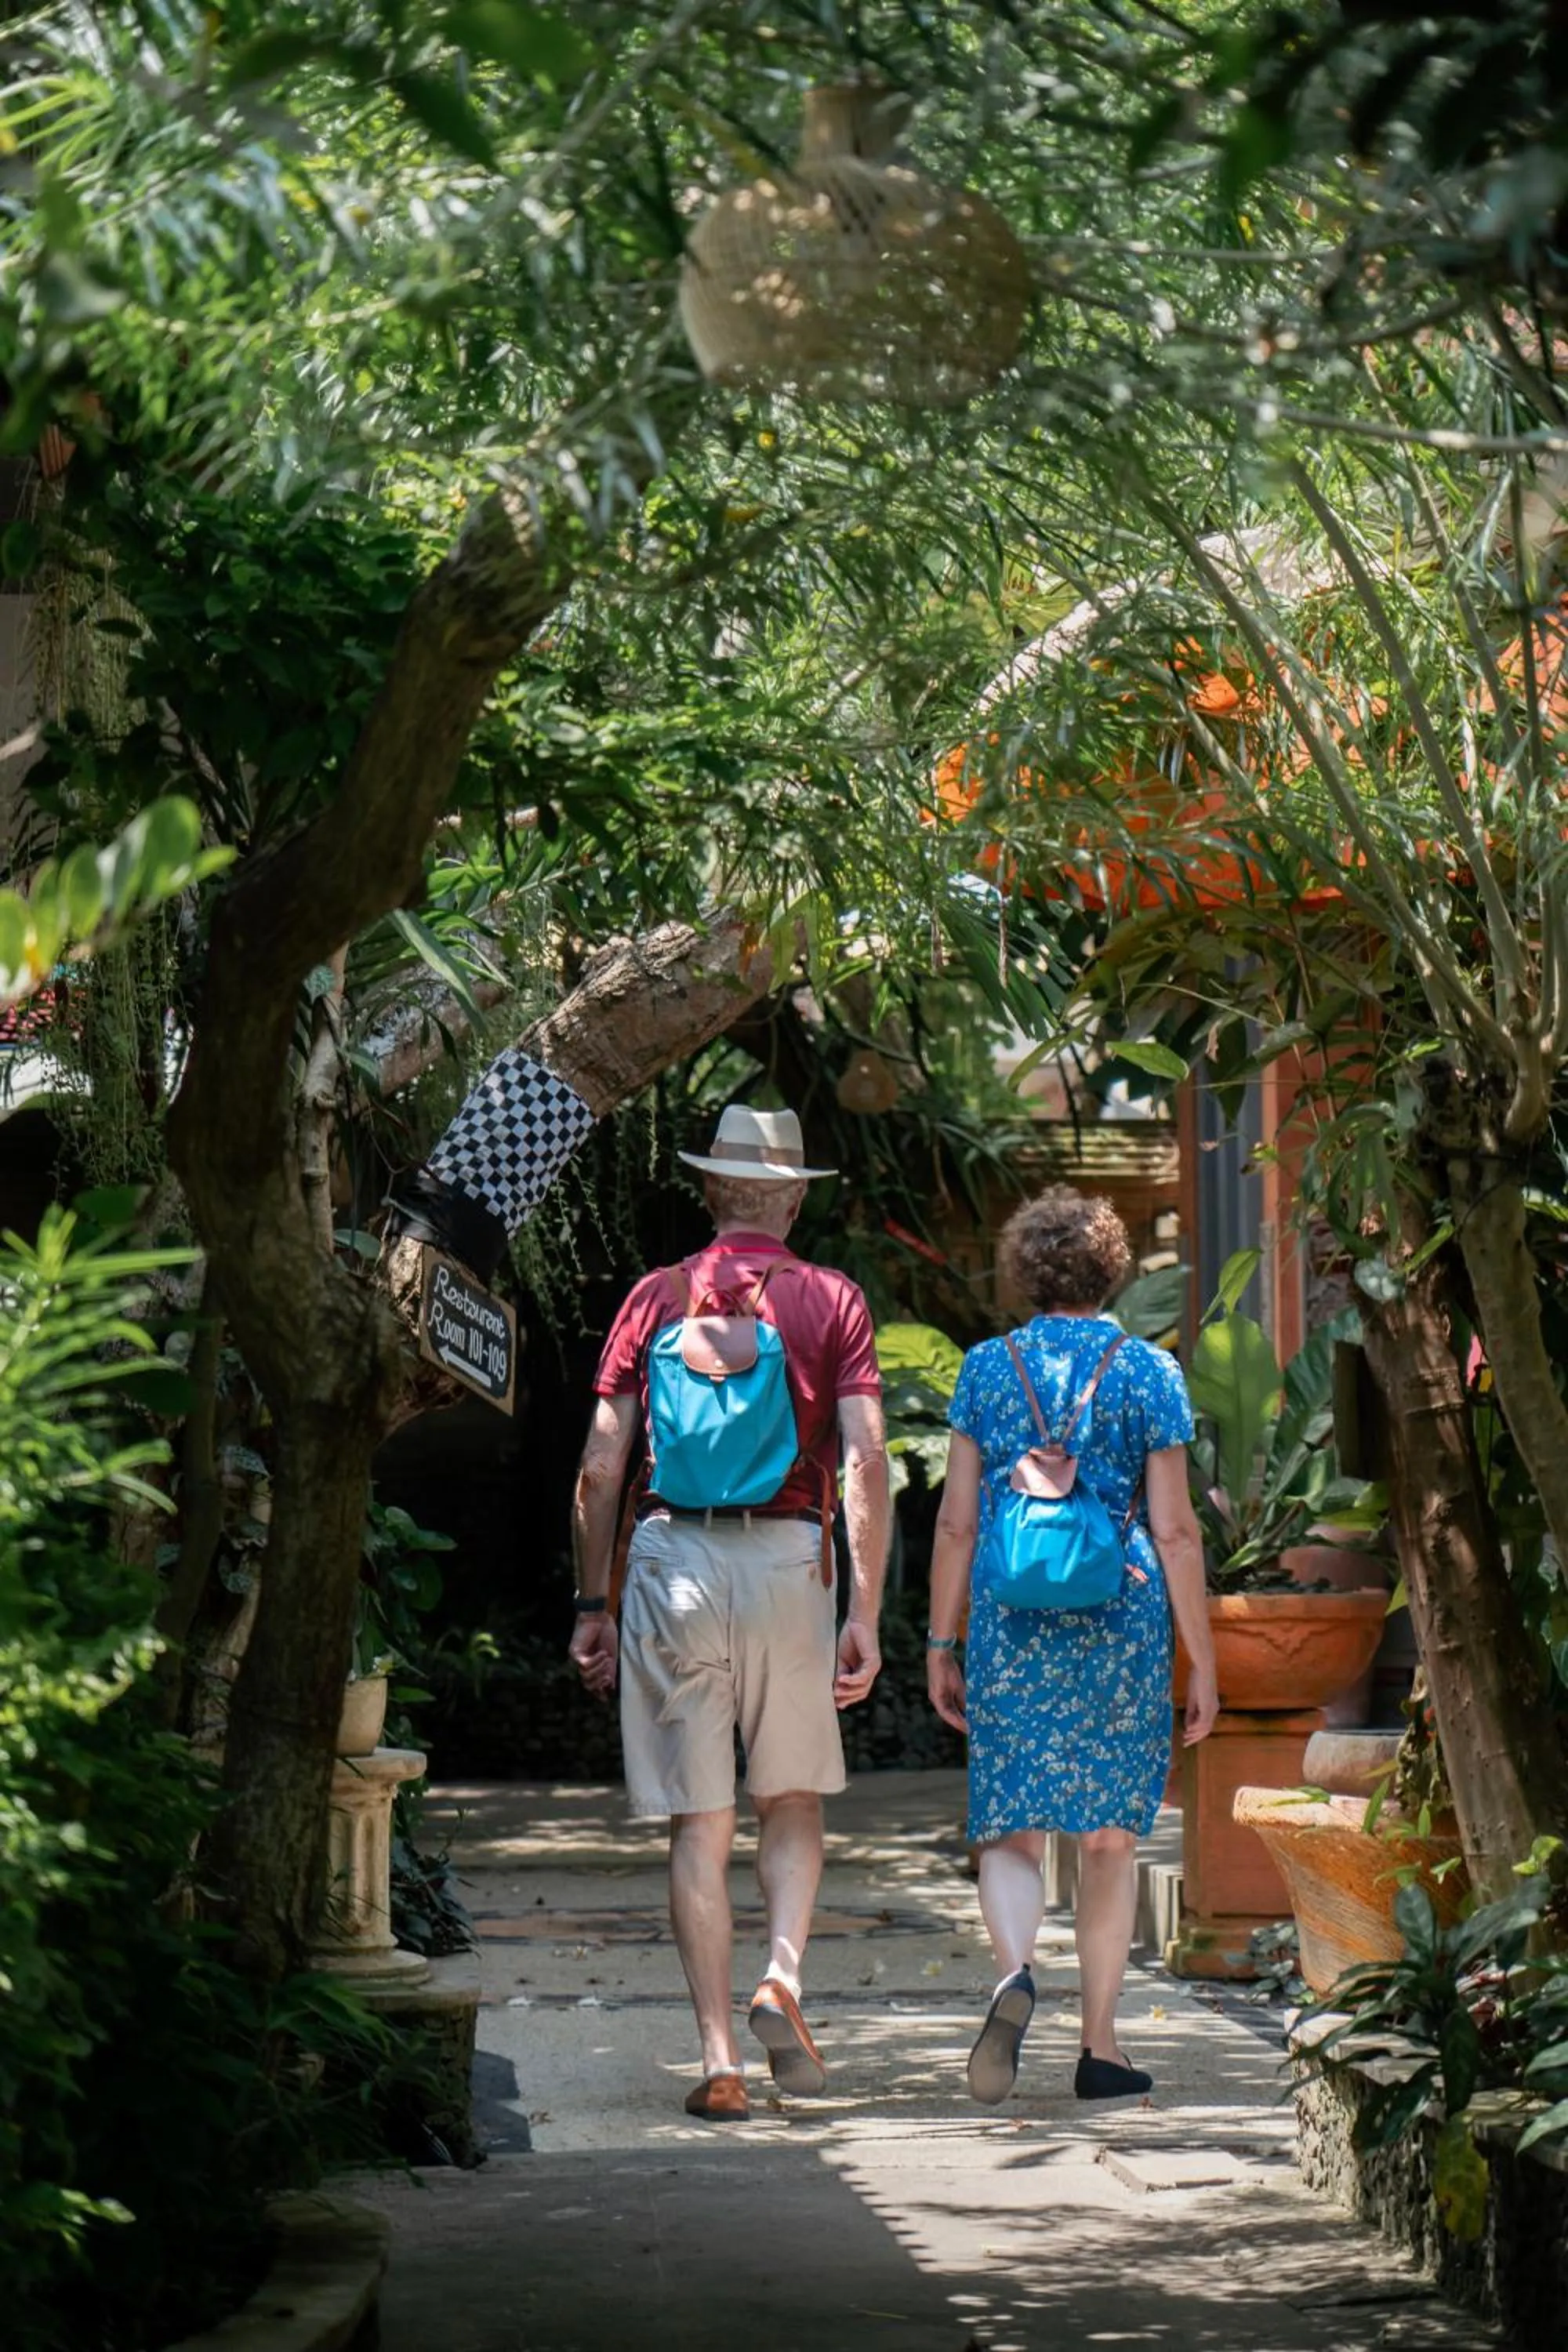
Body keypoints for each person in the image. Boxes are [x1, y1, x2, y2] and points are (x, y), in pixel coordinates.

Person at [568, 1105, 890, 2123]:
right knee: (790, 1799)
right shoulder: (832, 1301)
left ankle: (718, 2060)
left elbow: (601, 1467)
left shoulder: (654, 1299)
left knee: (699, 1825)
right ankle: (782, 1975)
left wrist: (593, 1601)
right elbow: (867, 1460)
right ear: (794, 1198)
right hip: (790, 1563)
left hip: (674, 1566)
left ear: (710, 1192)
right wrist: (868, 1611)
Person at [926, 1186, 1218, 2105]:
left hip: (1011, 1623)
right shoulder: (1147, 1373)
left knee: (1010, 1828)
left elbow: (956, 1523)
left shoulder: (982, 1369)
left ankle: (1014, 1971)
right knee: (1106, 1841)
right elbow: (1175, 1532)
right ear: (1110, 1270)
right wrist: (1200, 1657)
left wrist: (940, 1638)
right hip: (1120, 1619)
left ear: (1023, 1271)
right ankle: (1098, 2047)